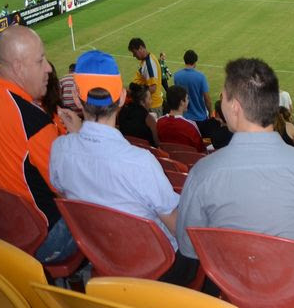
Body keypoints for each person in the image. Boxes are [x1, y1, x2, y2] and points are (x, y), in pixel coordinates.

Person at [174, 58, 294, 308]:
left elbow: (189, 247)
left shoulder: (203, 175)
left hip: (235, 307)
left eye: (222, 96)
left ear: (235, 107)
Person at [49, 50, 198, 285]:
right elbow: (178, 227)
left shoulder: (59, 151)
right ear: (121, 98)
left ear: (77, 99)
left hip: (103, 257)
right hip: (158, 268)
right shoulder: (140, 162)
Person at [0, 24, 78, 262]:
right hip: (39, 237)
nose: (48, 68)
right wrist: (77, 138)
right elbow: (69, 187)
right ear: (18, 67)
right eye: (40, 61)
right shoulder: (35, 122)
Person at [157, 85, 208, 153]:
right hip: (189, 161)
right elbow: (201, 150)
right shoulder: (190, 125)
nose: (188, 101)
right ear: (182, 102)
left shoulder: (159, 122)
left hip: (170, 159)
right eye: (187, 98)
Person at [173, 49, 210, 123]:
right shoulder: (201, 77)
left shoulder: (177, 76)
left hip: (183, 117)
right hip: (199, 118)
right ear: (195, 62)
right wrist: (211, 112)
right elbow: (207, 98)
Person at [128, 38, 161, 105]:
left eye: (134, 52)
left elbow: (153, 88)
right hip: (147, 103)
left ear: (141, 48)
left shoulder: (149, 64)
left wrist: (135, 91)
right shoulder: (146, 60)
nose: (134, 55)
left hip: (151, 105)